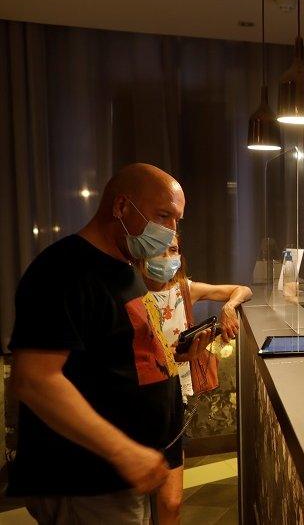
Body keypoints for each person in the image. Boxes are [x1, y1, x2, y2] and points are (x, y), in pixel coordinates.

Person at [8, 164, 214, 524]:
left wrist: (177, 356)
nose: (170, 232)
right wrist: (123, 452)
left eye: (176, 220)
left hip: (131, 472)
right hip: (88, 481)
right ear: (120, 207)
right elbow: (35, 380)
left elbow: (122, 354)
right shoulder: (63, 271)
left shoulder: (125, 268)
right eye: (162, 216)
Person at [137, 234, 252, 524]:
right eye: (158, 251)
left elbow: (243, 289)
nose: (166, 258)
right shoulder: (132, 293)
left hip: (177, 394)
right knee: (141, 498)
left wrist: (228, 307)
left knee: (171, 500)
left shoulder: (185, 289)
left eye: (173, 250)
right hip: (140, 395)